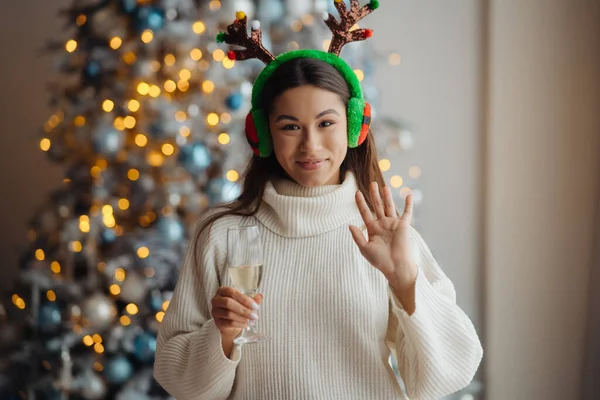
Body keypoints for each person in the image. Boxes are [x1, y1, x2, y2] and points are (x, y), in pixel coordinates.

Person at [154, 2, 483, 399]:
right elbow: (180, 381)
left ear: (354, 126)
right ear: (263, 134)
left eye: (326, 123)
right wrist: (222, 336)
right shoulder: (222, 235)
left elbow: (450, 372)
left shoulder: (384, 234)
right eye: (290, 127)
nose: (310, 145)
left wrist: (406, 281)